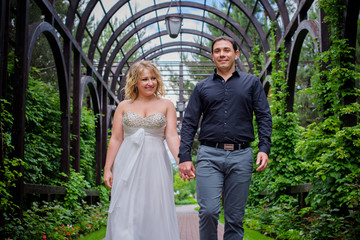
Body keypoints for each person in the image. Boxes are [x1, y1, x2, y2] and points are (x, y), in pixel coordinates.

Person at [178, 36, 272, 240]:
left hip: (242, 155)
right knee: (209, 211)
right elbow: (190, 123)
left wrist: (264, 148)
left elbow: (264, 116)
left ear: (236, 54)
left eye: (227, 50)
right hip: (209, 155)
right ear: (212, 56)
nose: (222, 54)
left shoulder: (252, 83)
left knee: (235, 218)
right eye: (218, 51)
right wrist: (184, 156)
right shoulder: (202, 87)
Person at [103, 60, 180, 240]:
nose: (150, 83)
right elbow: (116, 138)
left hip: (156, 162)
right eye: (145, 79)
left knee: (154, 206)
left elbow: (172, 136)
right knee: (126, 205)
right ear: (135, 82)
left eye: (153, 78)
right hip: (127, 161)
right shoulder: (123, 106)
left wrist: (181, 161)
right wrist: (108, 168)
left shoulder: (167, 105)